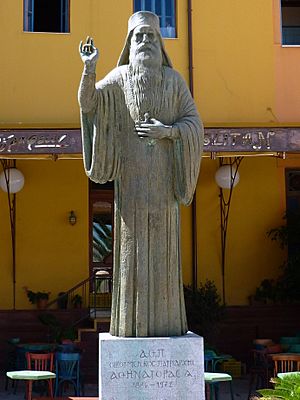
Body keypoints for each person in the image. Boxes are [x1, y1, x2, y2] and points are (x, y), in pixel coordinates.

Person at [78, 11, 203, 337]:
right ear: (130, 44)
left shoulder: (174, 81)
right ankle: (130, 325)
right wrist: (89, 69)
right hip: (131, 186)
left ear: (159, 44)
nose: (145, 41)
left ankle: (166, 324)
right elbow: (89, 103)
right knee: (131, 256)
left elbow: (194, 123)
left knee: (163, 258)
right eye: (139, 36)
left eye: (151, 36)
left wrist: (169, 132)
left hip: (162, 188)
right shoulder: (119, 77)